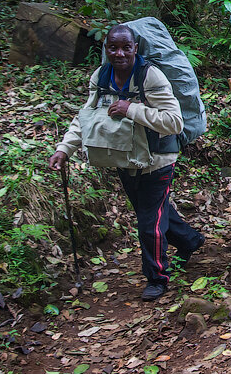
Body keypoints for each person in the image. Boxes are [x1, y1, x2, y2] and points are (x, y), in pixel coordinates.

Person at [48, 25, 205, 301]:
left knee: (148, 221)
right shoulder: (101, 76)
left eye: (125, 48)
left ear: (135, 49)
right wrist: (65, 149)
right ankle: (190, 240)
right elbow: (86, 117)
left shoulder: (151, 77)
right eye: (112, 47)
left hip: (158, 158)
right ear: (105, 49)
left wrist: (131, 108)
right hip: (125, 156)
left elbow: (174, 122)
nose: (119, 53)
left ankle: (157, 276)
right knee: (155, 211)